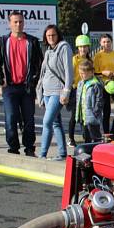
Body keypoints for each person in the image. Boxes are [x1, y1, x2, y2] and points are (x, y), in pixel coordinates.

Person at [0, 11, 43, 156]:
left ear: (24, 22)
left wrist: (34, 80)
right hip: (10, 88)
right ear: (10, 23)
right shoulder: (2, 41)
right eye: (15, 22)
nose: (18, 24)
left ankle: (29, 148)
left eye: (20, 21)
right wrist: (0, 79)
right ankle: (13, 148)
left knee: (29, 120)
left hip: (27, 87)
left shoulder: (32, 41)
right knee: (10, 118)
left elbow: (40, 63)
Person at [36, 25, 73, 161]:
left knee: (46, 122)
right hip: (46, 92)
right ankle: (62, 153)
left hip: (58, 91)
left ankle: (42, 154)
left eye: (53, 35)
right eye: (48, 36)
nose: (51, 38)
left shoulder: (64, 48)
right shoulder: (47, 51)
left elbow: (69, 71)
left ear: (58, 35)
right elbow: (42, 74)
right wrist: (39, 93)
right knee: (55, 123)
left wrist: (66, 91)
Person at [94, 34, 114, 135]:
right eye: (104, 42)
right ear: (100, 43)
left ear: (111, 42)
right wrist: (103, 72)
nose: (106, 44)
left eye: (108, 41)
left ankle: (113, 130)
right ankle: (106, 134)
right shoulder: (98, 56)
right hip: (104, 85)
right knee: (106, 111)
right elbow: (95, 72)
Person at [67, 35, 92, 147]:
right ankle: (71, 138)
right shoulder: (74, 59)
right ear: (77, 48)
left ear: (88, 47)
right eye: (81, 47)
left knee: (85, 115)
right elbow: (69, 74)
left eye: (85, 47)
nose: (83, 49)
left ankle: (86, 136)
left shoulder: (90, 60)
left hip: (86, 89)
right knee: (74, 116)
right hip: (76, 89)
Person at [75, 60, 104, 143]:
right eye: (80, 73)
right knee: (86, 137)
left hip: (92, 116)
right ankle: (88, 154)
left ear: (91, 72)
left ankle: (96, 153)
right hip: (83, 116)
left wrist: (95, 112)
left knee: (95, 137)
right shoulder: (80, 83)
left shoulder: (95, 84)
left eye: (83, 73)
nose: (81, 75)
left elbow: (100, 100)